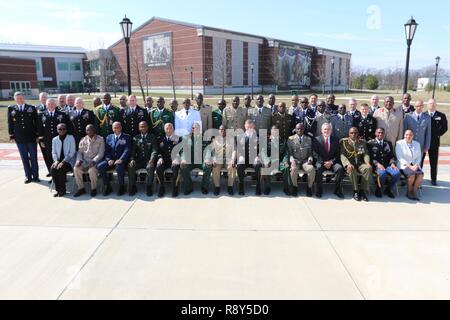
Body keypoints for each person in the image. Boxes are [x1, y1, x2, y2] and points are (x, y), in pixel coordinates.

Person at [7, 92, 40, 183]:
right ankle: (28, 176)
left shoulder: (31, 108)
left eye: (21, 98)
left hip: (31, 137)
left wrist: (37, 135)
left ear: (24, 98)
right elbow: (10, 123)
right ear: (15, 99)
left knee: (33, 157)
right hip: (19, 138)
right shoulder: (11, 109)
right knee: (24, 158)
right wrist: (11, 135)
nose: (20, 100)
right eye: (18, 98)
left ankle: (36, 176)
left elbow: (36, 122)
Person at [37, 98, 70, 178]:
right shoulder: (42, 115)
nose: (51, 105)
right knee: (49, 158)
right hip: (47, 141)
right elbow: (40, 128)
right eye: (49, 104)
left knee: (60, 157)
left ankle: (62, 176)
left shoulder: (62, 114)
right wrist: (41, 140)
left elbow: (67, 127)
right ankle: (53, 175)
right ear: (46, 105)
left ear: (55, 105)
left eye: (52, 104)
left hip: (60, 141)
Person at [97, 122, 131, 196]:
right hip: (111, 160)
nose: (116, 129)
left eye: (118, 127)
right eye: (114, 127)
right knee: (100, 166)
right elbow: (106, 151)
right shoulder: (109, 137)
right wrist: (109, 159)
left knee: (119, 168)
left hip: (121, 161)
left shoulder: (126, 137)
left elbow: (127, 150)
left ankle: (121, 187)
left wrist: (121, 159)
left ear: (121, 128)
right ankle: (107, 186)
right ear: (112, 129)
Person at [340, 127, 372, 202]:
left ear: (358, 133)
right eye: (351, 133)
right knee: (351, 169)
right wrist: (347, 164)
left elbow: (366, 154)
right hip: (350, 164)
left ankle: (363, 191)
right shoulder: (344, 142)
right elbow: (342, 155)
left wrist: (367, 163)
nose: (353, 134)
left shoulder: (362, 142)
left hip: (360, 163)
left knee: (368, 168)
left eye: (355, 133)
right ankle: (355, 191)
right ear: (349, 134)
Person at [313, 123, 345, 199]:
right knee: (318, 168)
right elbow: (314, 154)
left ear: (331, 131)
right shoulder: (316, 139)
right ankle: (319, 190)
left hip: (332, 163)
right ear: (321, 130)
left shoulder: (336, 140)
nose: (326, 131)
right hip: (321, 162)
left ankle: (337, 190)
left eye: (328, 129)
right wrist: (323, 162)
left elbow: (338, 154)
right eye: (325, 129)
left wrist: (331, 162)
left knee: (340, 168)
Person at [73, 124, 105, 198]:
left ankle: (93, 188)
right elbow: (79, 152)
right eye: (87, 130)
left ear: (94, 130)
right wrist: (79, 160)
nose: (89, 131)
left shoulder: (100, 139)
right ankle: (81, 188)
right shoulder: (83, 140)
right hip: (84, 161)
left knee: (92, 170)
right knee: (76, 168)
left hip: (95, 162)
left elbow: (101, 153)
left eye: (90, 130)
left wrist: (94, 161)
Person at [368, 128, 400, 198]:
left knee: (397, 173)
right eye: (378, 132)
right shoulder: (370, 143)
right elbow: (369, 157)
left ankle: (388, 189)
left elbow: (392, 156)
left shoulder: (388, 143)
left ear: (384, 134)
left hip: (387, 165)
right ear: (375, 133)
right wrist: (377, 164)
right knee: (383, 173)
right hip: (376, 165)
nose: (380, 134)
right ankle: (379, 188)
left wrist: (392, 163)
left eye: (382, 133)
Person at [180, 123, 211, 195]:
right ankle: (189, 187)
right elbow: (183, 150)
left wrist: (207, 158)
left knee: (208, 166)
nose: (195, 129)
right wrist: (184, 159)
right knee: (183, 166)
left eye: (197, 128)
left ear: (199, 129)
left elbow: (208, 149)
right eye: (193, 128)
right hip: (190, 161)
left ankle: (204, 187)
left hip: (201, 161)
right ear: (192, 129)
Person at [128, 121, 158, 196]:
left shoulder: (152, 137)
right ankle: (133, 186)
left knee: (150, 167)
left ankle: (149, 187)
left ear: (147, 127)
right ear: (139, 128)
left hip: (148, 160)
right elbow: (133, 151)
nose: (143, 128)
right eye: (141, 126)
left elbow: (154, 150)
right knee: (130, 166)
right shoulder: (136, 138)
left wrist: (152, 159)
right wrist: (132, 159)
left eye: (144, 126)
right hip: (138, 160)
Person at [207, 125, 237, 196]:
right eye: (221, 130)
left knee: (232, 167)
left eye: (224, 130)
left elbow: (234, 150)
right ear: (218, 131)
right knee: (215, 167)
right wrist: (213, 159)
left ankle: (230, 186)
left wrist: (233, 159)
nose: (222, 131)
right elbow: (212, 151)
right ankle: (217, 187)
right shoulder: (215, 139)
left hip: (228, 159)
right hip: (218, 159)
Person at [287, 123, 315, 197]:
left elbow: (310, 153)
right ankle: (295, 187)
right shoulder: (290, 139)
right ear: (295, 129)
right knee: (293, 169)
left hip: (305, 161)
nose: (300, 130)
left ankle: (309, 187)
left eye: (301, 129)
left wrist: (310, 159)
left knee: (311, 169)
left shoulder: (308, 139)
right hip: (296, 161)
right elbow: (290, 153)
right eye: (298, 128)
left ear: (304, 130)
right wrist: (292, 160)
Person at [261, 125, 290, 196]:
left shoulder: (283, 141)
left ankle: (286, 188)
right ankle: (267, 187)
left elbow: (286, 153)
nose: (275, 131)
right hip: (270, 162)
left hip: (280, 162)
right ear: (270, 132)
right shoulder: (267, 141)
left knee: (286, 167)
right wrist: (266, 160)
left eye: (276, 130)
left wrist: (285, 161)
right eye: (273, 130)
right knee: (266, 167)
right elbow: (263, 152)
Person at [395, 130, 424, 201]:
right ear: (404, 135)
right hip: (404, 165)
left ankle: (414, 192)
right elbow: (400, 157)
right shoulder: (399, 143)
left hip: (414, 165)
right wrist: (410, 166)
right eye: (407, 135)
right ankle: (408, 193)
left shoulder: (417, 144)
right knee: (412, 175)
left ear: (413, 136)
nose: (408, 136)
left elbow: (419, 157)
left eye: (410, 135)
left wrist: (416, 165)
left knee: (421, 175)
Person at [236, 120, 262, 195]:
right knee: (240, 163)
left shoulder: (258, 137)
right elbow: (239, 149)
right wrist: (240, 156)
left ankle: (258, 186)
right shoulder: (240, 137)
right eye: (248, 127)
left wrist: (258, 156)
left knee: (258, 164)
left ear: (254, 127)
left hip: (254, 158)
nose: (249, 129)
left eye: (251, 127)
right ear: (245, 127)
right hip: (244, 158)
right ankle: (241, 186)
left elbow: (262, 149)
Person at [155, 123, 182, 198]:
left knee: (176, 167)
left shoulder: (178, 138)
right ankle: (162, 187)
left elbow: (180, 150)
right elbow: (158, 151)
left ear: (173, 129)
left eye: (170, 128)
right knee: (158, 167)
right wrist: (160, 158)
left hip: (174, 159)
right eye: (167, 128)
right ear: (164, 130)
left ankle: (175, 187)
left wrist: (177, 158)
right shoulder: (160, 138)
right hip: (164, 160)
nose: (169, 130)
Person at [403, 100, 431, 167]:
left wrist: (427, 146)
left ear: (423, 106)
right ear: (414, 107)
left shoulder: (427, 118)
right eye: (417, 106)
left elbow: (428, 133)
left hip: (420, 144)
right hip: (409, 143)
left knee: (418, 163)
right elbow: (404, 130)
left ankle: (418, 176)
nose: (419, 107)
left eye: (421, 106)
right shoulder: (408, 116)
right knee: (408, 162)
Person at [426, 99, 448, 185]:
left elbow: (445, 128)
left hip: (434, 142)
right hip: (424, 141)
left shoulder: (441, 115)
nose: (432, 105)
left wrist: (438, 134)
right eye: (430, 103)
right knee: (419, 161)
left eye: (433, 103)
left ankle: (433, 179)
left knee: (433, 161)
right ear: (427, 105)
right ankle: (418, 178)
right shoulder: (424, 114)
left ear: (436, 105)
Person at [51, 123, 76, 197]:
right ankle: (58, 190)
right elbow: (53, 152)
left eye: (64, 129)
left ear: (66, 130)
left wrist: (63, 161)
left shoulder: (71, 138)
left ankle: (62, 190)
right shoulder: (54, 139)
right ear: (57, 130)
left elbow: (72, 152)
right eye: (60, 129)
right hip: (58, 161)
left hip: (68, 161)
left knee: (61, 168)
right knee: (53, 169)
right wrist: (56, 161)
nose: (62, 130)